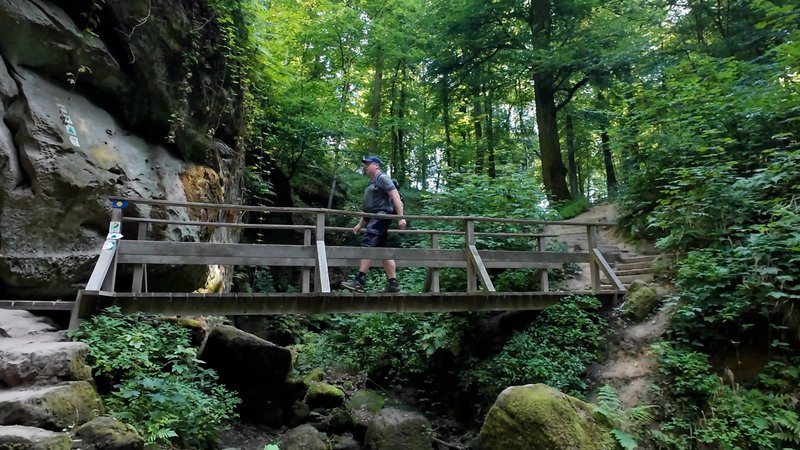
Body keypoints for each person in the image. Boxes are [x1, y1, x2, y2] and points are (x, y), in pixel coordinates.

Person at [341, 155, 407, 292]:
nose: (365, 166)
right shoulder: (371, 182)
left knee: (368, 243)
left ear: (376, 165)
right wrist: (360, 224)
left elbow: (395, 196)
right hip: (373, 217)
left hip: (381, 217)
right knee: (383, 250)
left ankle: (360, 280)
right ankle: (393, 283)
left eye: (368, 164)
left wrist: (401, 217)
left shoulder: (382, 178)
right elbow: (369, 207)